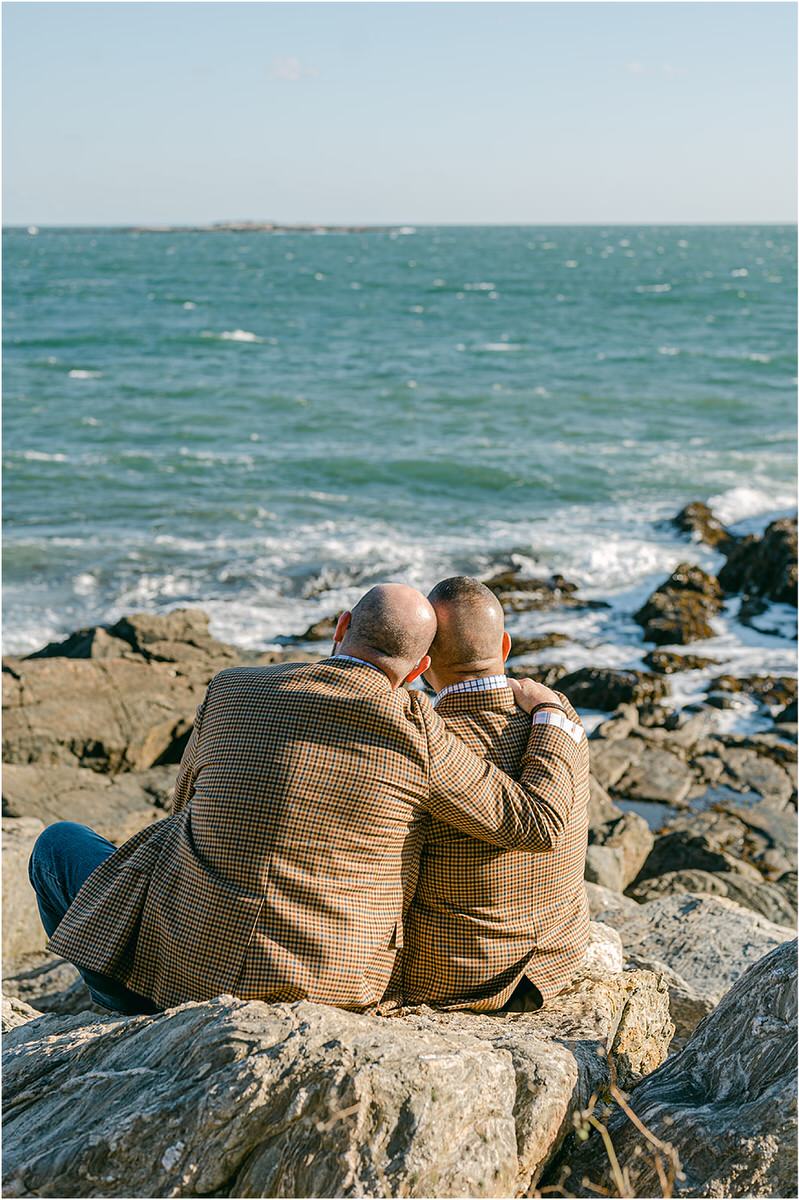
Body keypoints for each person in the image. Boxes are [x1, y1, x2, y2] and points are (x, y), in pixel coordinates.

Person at [31, 583, 578, 1015]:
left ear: (341, 628)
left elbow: (184, 807)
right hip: (329, 989)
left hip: (181, 965)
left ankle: (117, 1003)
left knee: (58, 845)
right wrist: (552, 717)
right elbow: (533, 820)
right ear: (416, 671)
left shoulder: (231, 688)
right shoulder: (418, 729)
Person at [401, 576, 590, 1012]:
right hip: (558, 959)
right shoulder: (558, 712)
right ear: (504, 646)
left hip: (463, 977)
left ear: (423, 663)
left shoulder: (427, 744)